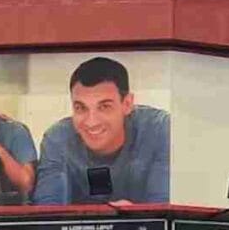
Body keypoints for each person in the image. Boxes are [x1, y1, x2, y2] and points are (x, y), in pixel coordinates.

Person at [32, 57, 170, 205]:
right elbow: (49, 210)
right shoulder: (57, 139)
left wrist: (134, 218)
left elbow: (163, 208)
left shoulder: (159, 129)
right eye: (81, 108)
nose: (92, 122)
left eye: (104, 107)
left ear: (127, 104)